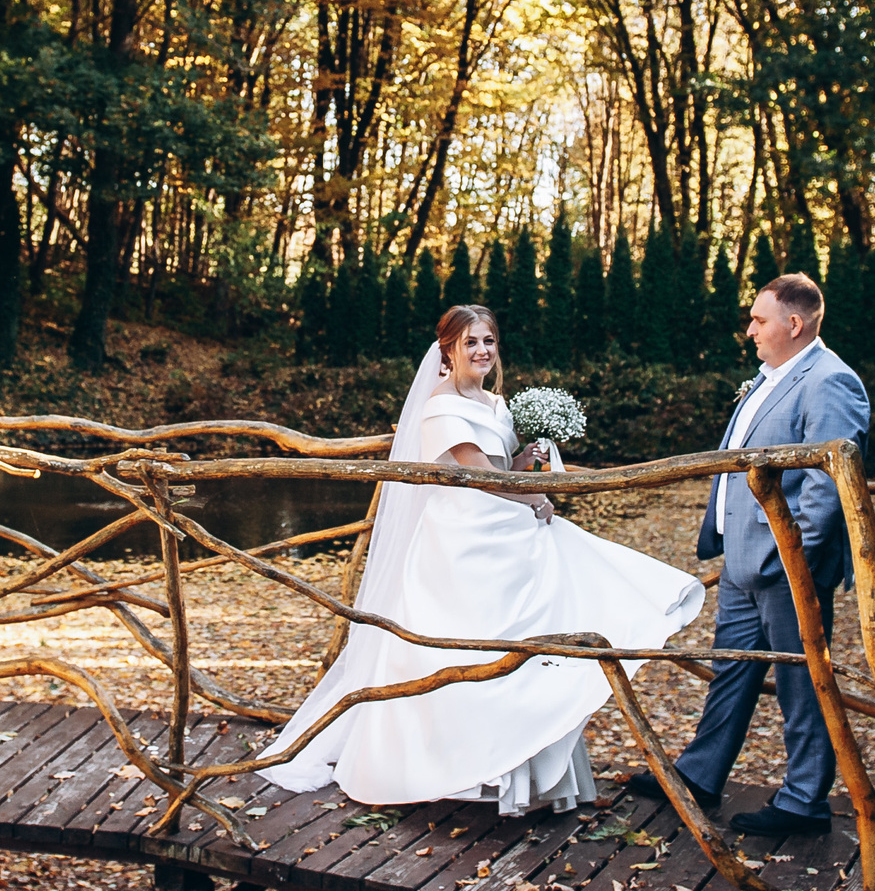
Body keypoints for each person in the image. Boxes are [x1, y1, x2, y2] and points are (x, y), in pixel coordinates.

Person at [258, 304, 704, 813]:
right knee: (472, 652)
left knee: (531, 646)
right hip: (463, 547)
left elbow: (505, 467)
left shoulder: (497, 404)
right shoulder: (439, 407)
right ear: (447, 349)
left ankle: (522, 777)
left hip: (511, 537)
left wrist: (533, 456)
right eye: (470, 342)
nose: (482, 351)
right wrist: (535, 497)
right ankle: (459, 773)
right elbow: (479, 476)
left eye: (489, 341)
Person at [623, 272, 870, 837]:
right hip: (742, 560)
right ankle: (699, 774)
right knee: (730, 672)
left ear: (794, 324)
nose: (750, 329)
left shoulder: (830, 381)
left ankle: (805, 800)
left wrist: (791, 557)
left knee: (802, 682)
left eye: (759, 319)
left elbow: (827, 483)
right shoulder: (771, 376)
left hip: (787, 566)